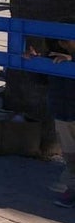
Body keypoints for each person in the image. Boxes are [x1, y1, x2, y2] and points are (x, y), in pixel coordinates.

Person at [27, 38, 75, 207]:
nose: (64, 44)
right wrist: (34, 62)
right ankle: (72, 189)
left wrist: (71, 60)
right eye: (62, 41)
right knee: (70, 155)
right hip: (62, 113)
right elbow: (40, 80)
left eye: (68, 40)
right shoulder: (52, 59)